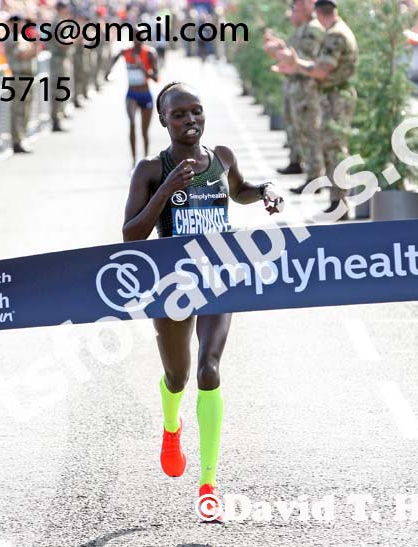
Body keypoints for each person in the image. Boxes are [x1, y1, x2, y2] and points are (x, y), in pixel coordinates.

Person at [121, 82, 284, 523]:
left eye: (196, 111)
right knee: (178, 376)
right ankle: (171, 428)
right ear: (163, 121)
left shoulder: (222, 157)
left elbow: (240, 190)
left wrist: (265, 190)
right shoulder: (151, 169)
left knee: (210, 369)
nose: (190, 120)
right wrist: (166, 188)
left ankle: (208, 485)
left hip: (219, 275)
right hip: (171, 284)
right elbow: (131, 235)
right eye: (179, 114)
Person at [275, 0, 358, 220]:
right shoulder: (335, 32)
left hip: (337, 97)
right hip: (333, 96)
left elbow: (322, 71)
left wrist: (296, 64)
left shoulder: (336, 35)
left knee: (335, 149)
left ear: (318, 13)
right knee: (330, 146)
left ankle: (340, 202)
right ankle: (336, 201)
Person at [265, 0, 327, 191]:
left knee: (310, 132)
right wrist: (281, 51)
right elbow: (294, 58)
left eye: (298, 4)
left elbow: (308, 60)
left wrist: (282, 53)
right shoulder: (304, 28)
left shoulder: (313, 29)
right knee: (302, 130)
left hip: (307, 88)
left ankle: (315, 176)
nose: (295, 9)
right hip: (298, 87)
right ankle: (309, 172)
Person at [106, 37, 159, 166]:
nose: (137, 40)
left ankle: (146, 159)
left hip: (145, 94)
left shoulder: (150, 53)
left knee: (144, 131)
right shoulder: (126, 52)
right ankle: (134, 159)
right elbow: (113, 59)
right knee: (132, 123)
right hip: (132, 95)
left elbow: (156, 77)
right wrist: (107, 72)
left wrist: (143, 69)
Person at [4, 14, 39, 153]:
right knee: (19, 110)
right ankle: (17, 140)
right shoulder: (12, 38)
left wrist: (34, 45)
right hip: (19, 77)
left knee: (26, 109)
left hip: (27, 76)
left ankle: (22, 137)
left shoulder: (21, 37)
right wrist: (35, 44)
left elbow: (32, 53)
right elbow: (22, 54)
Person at [47, 2, 74, 132]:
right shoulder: (57, 23)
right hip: (58, 61)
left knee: (62, 90)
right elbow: (62, 43)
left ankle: (59, 117)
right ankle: (56, 120)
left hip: (62, 60)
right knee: (58, 91)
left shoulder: (61, 22)